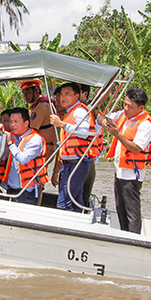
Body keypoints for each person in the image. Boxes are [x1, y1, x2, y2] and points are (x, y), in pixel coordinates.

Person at [97, 87, 151, 234]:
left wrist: (117, 135)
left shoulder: (145, 124)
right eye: (125, 104)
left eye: (130, 106)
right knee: (120, 208)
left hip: (132, 174)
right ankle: (125, 234)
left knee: (132, 212)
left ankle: (134, 239)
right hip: (120, 171)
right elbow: (100, 117)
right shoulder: (123, 115)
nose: (126, 108)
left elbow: (136, 148)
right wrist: (104, 121)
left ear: (141, 108)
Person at [49, 83, 98, 212]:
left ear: (77, 96)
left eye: (67, 94)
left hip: (78, 162)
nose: (63, 98)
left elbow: (84, 133)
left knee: (64, 202)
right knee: (76, 200)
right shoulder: (70, 112)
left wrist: (62, 124)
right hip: (70, 163)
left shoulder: (80, 111)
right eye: (61, 95)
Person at [0, 107, 49, 204]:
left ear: (26, 123)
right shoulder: (12, 136)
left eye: (16, 121)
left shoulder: (35, 139)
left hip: (26, 191)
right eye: (11, 121)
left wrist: (10, 144)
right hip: (11, 188)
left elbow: (23, 159)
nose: (12, 125)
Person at [19, 79, 58, 161]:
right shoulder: (42, 104)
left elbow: (31, 130)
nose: (25, 96)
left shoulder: (40, 107)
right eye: (24, 93)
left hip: (43, 148)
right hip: (46, 146)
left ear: (37, 92)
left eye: (28, 92)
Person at [79, 84, 104, 208]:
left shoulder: (91, 112)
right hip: (74, 160)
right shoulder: (74, 111)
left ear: (84, 94)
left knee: (82, 197)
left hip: (86, 160)